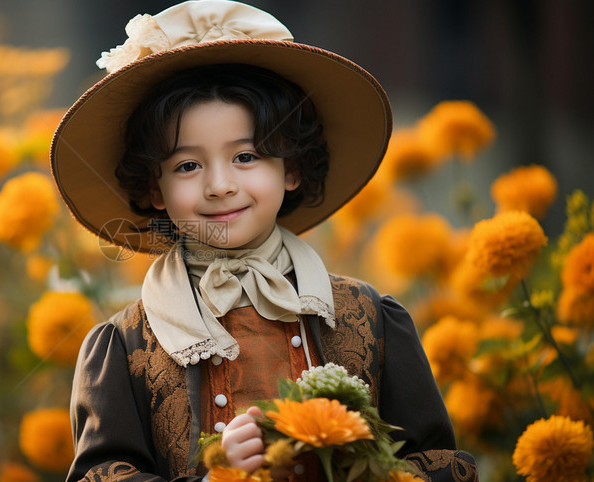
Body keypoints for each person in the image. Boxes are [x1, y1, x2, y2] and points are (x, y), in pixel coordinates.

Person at [50, 1, 478, 481]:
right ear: (154, 188)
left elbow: (440, 463)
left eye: (246, 156)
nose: (219, 185)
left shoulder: (371, 318)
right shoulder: (124, 347)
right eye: (187, 165)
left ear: (291, 167)